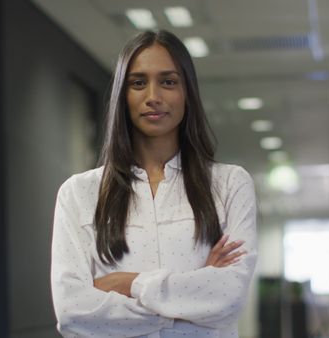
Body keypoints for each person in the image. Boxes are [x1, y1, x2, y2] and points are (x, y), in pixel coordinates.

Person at [51, 30, 257, 338]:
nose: (153, 97)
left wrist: (127, 283)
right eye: (138, 83)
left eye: (168, 81)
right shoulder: (79, 194)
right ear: (123, 94)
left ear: (188, 92)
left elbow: (229, 298)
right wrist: (192, 296)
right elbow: (72, 312)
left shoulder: (229, 185)